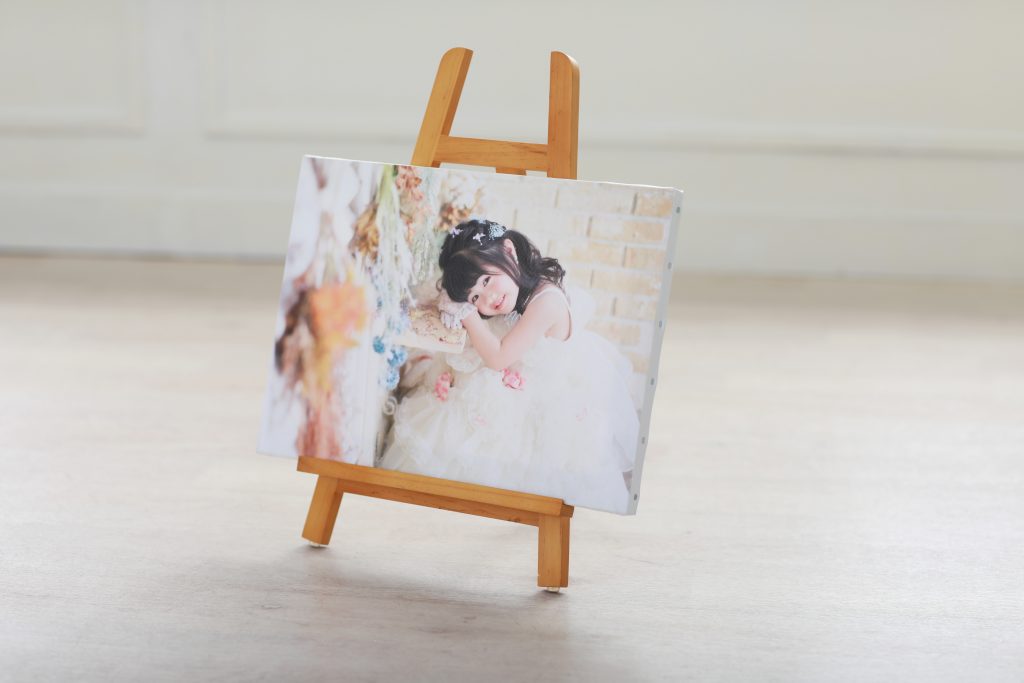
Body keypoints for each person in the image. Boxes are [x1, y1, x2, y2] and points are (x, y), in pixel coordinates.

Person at [380, 219, 640, 513]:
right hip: (518, 375)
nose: (488, 299)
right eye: (475, 297)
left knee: (471, 432)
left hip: (547, 397)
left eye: (486, 281)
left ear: (509, 250)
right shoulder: (517, 286)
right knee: (452, 408)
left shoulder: (546, 302)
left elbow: (499, 358)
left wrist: (468, 314)